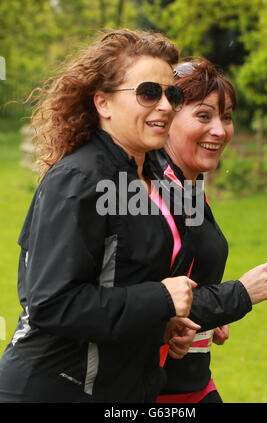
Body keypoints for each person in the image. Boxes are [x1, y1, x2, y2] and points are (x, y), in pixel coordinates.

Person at [0, 29, 200, 403]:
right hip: (53, 389)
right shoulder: (78, 180)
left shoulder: (153, 177)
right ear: (103, 104)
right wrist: (158, 300)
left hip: (122, 388)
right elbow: (51, 303)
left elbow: (119, 280)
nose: (165, 106)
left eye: (171, 94)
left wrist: (161, 325)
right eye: (148, 93)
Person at [145, 58, 267, 403]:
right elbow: (142, 302)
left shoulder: (189, 185)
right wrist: (239, 295)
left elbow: (183, 287)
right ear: (168, 117)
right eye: (204, 115)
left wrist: (212, 314)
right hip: (157, 393)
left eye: (227, 117)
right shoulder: (153, 192)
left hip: (193, 383)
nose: (220, 130)